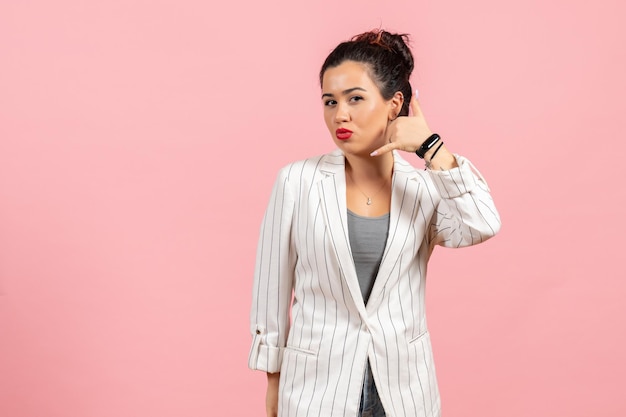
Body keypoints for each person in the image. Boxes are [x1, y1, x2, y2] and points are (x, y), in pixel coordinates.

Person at [248, 29, 501, 417]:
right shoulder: (296, 182)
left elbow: (482, 223)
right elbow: (272, 287)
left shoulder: (425, 187)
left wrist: (431, 148)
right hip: (316, 388)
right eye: (330, 101)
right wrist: (273, 381)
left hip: (403, 389)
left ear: (394, 103)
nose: (340, 115)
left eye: (355, 99)